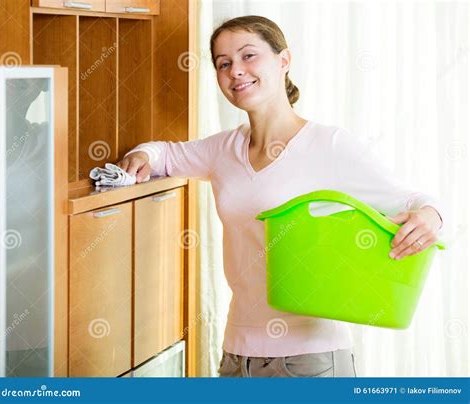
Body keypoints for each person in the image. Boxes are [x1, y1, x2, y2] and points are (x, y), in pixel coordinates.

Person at [117, 16, 444, 377]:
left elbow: (414, 201)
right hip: (236, 356)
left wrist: (431, 215)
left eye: (248, 56)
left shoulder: (328, 145)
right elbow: (166, 154)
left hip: (312, 360)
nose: (235, 71)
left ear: (283, 61)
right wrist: (144, 155)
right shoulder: (223, 149)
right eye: (223, 63)